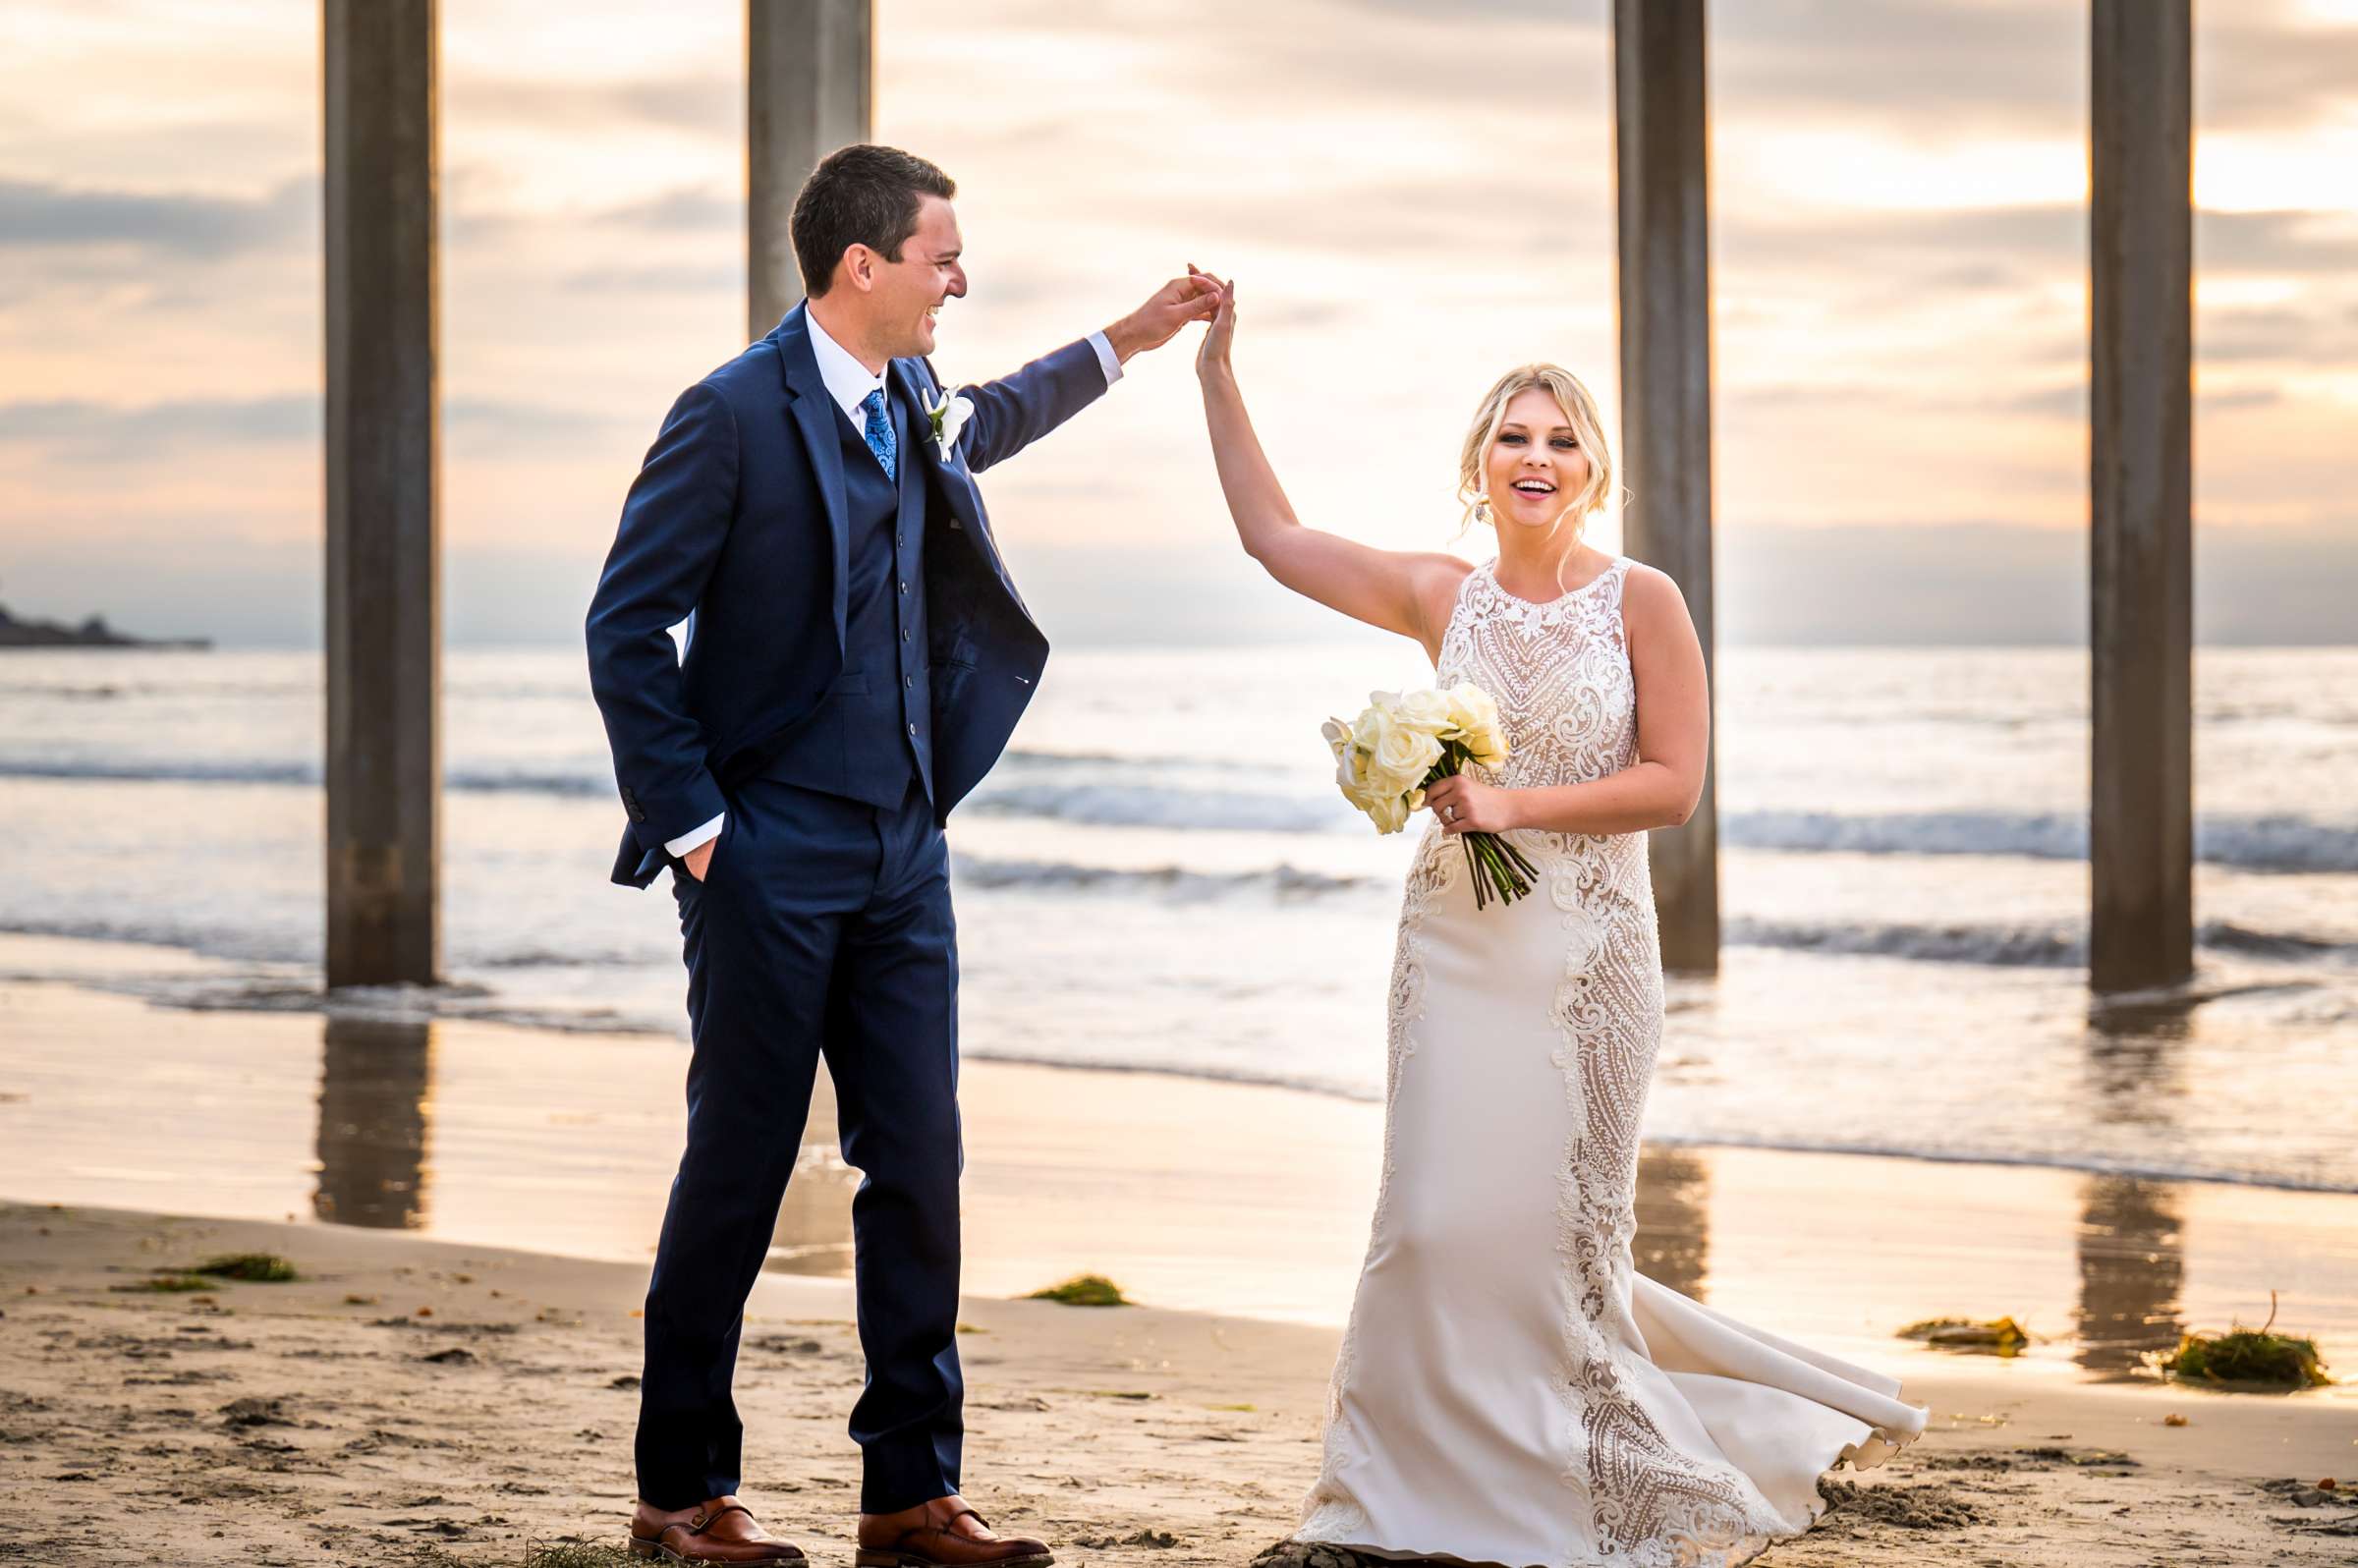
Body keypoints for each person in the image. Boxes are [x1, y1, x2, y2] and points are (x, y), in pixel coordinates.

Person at [1191, 271, 1930, 1567]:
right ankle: (1381, 1502)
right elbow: (1272, 537)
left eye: (1561, 438)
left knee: (1558, 1238)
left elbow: (1675, 782)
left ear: (1592, 469)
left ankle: (1578, 1482)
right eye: (1515, 435)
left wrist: (1513, 804)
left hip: (1589, 962)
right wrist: (1216, 375)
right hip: (1452, 952)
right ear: (1479, 462)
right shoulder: (1438, 595)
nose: (1538, 457)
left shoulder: (1643, 600)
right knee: (1425, 1221)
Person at [586, 143, 1217, 1568]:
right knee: (739, 1171)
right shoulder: (735, 413)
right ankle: (681, 1497)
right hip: (765, 853)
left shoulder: (916, 394)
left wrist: (1132, 336)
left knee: (920, 1167)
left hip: (903, 850)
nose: (960, 278)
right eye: (942, 255)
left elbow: (996, 415)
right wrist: (696, 835)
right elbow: (624, 627)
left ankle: (909, 1498)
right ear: (860, 265)